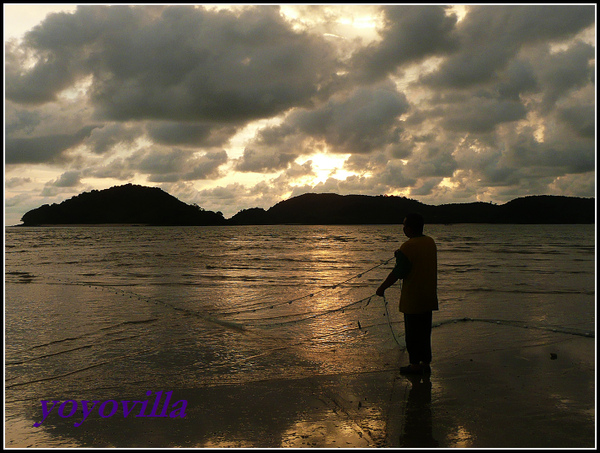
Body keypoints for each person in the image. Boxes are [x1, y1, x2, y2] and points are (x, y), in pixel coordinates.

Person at [376, 213, 438, 375]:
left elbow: (399, 272)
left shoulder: (408, 246)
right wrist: (400, 255)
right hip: (428, 296)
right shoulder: (430, 242)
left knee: (412, 334)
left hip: (414, 299)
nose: (403, 229)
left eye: (404, 226)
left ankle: (415, 366)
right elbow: (416, 259)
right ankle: (426, 363)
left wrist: (382, 288)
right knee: (424, 332)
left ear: (409, 228)